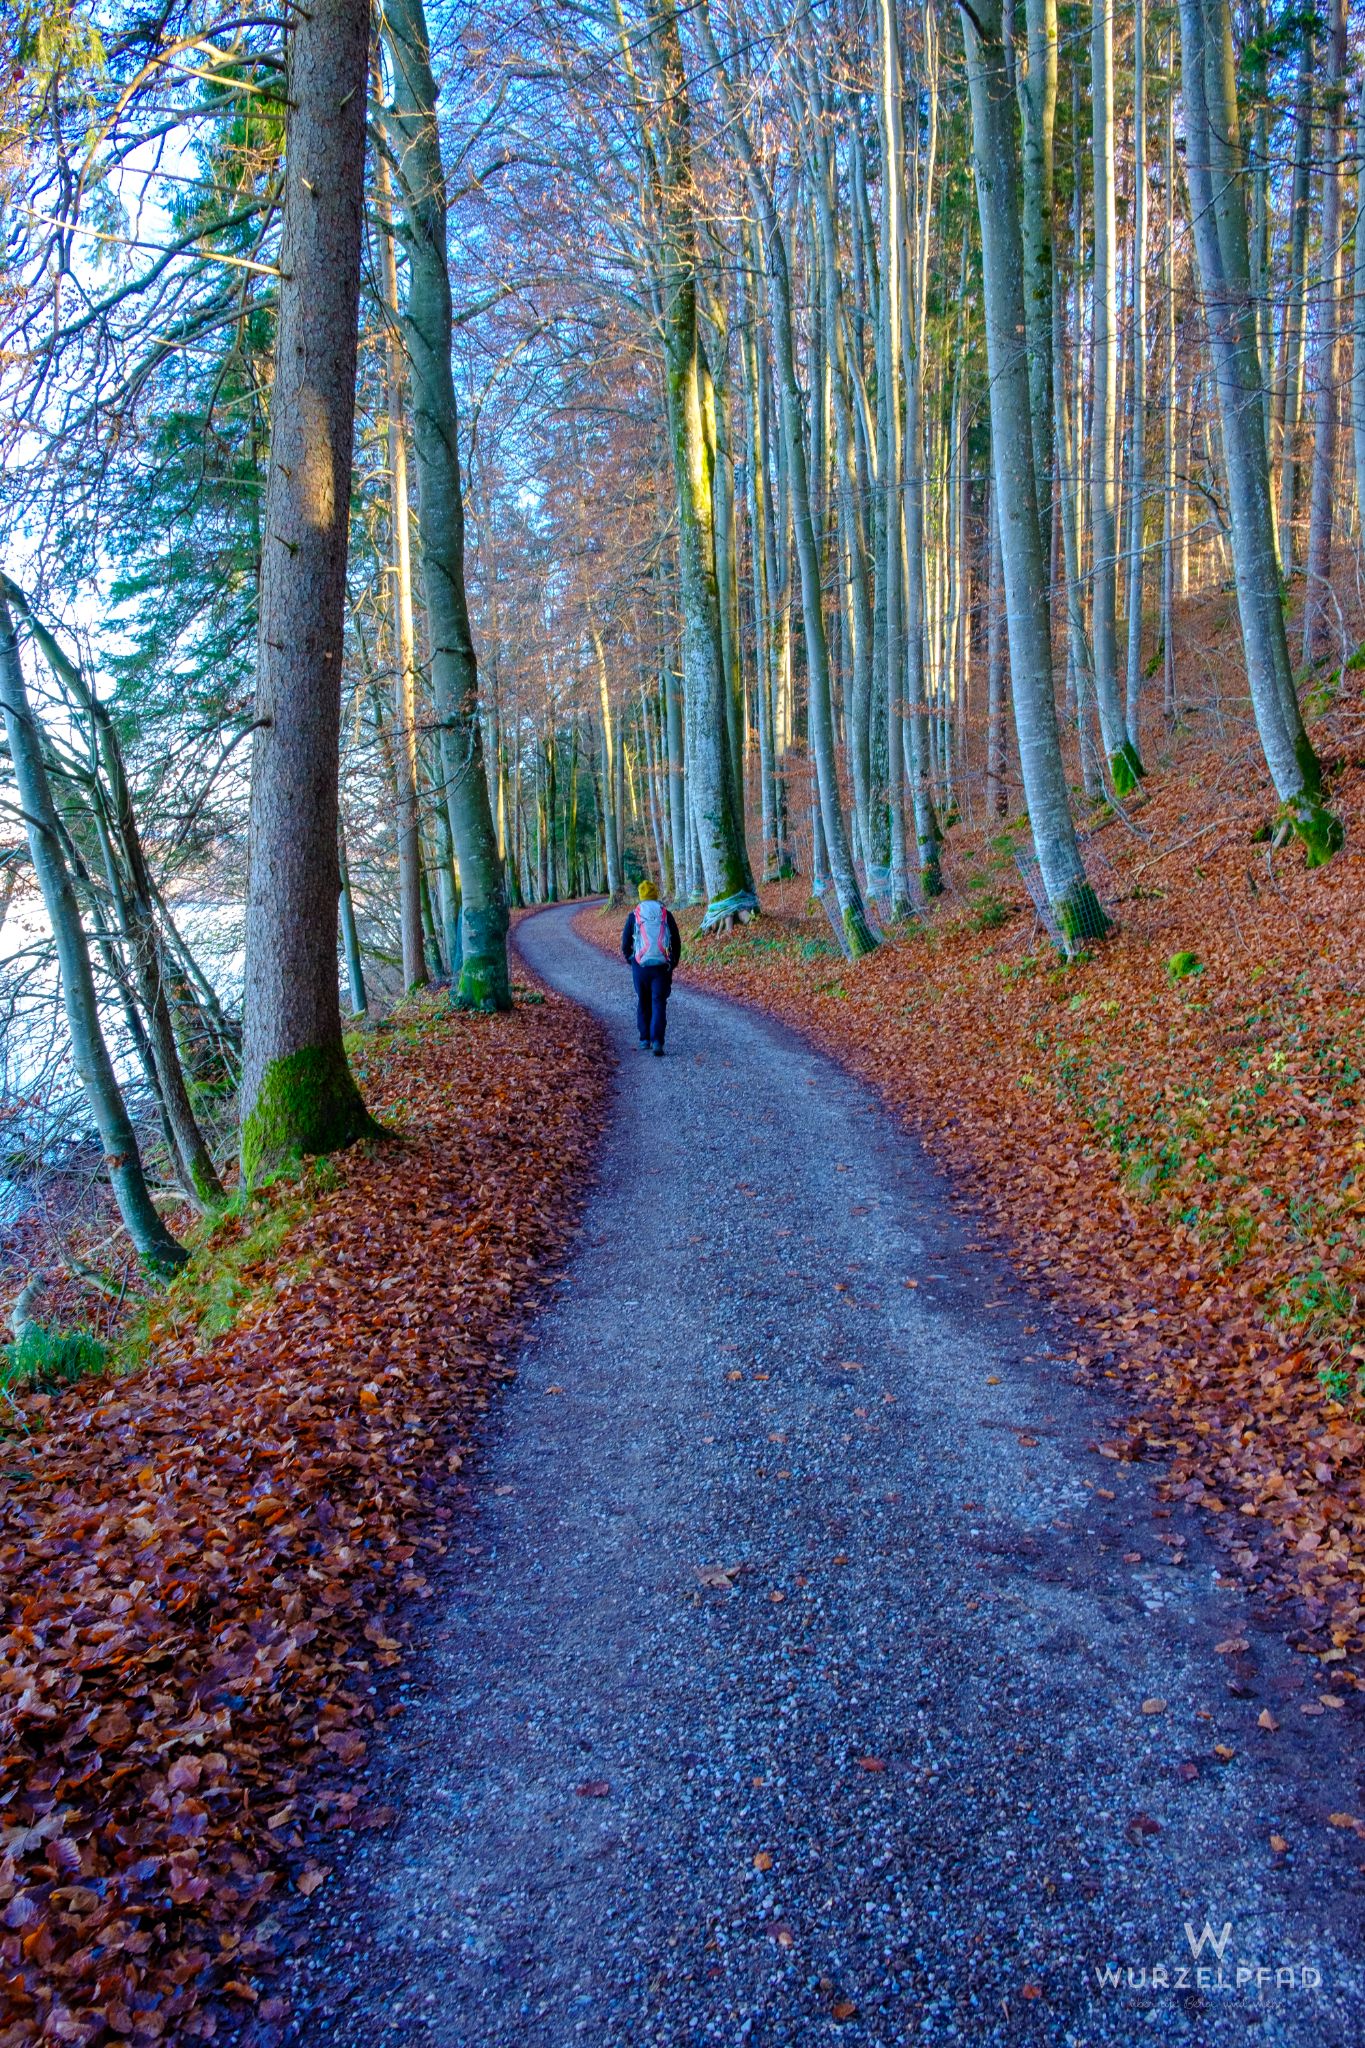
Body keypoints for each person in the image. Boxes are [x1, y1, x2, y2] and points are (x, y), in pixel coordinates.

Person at [621, 878, 681, 1057]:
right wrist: (673, 962)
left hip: (640, 966)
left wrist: (631, 960)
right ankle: (657, 1041)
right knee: (659, 1002)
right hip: (661, 966)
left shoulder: (634, 915)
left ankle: (644, 1039)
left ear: (640, 896)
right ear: (655, 895)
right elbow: (676, 941)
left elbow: (625, 943)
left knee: (643, 1000)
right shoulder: (665, 914)